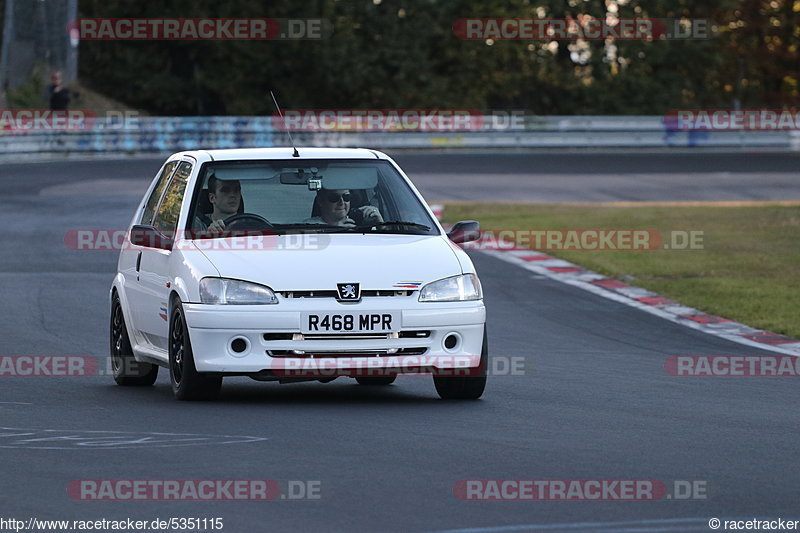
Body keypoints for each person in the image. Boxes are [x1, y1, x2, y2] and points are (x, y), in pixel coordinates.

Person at [304, 188, 383, 227]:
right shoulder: (308, 227)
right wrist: (338, 231)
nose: (341, 202)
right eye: (334, 198)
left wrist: (381, 224)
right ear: (320, 201)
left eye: (346, 197)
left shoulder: (360, 225)